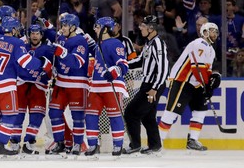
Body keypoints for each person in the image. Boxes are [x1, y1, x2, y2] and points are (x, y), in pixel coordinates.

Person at [0, 16, 52, 157]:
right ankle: (1, 145)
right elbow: (26, 62)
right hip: (6, 87)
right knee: (10, 116)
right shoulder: (16, 43)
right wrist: (43, 64)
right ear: (13, 30)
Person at [158, 22, 221, 151]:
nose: (215, 33)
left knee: (201, 110)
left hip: (197, 83)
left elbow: (206, 71)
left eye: (216, 31)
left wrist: (212, 79)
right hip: (183, 81)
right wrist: (207, 85)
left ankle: (192, 140)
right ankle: (157, 142)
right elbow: (198, 68)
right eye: (212, 31)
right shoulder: (199, 44)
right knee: (171, 112)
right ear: (205, 32)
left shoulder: (211, 50)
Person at [123, 15, 169, 155]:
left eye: (143, 26)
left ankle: (135, 145)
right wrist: (122, 65)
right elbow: (139, 61)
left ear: (151, 28)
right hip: (148, 84)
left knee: (131, 112)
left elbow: (163, 68)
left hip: (152, 86)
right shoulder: (149, 43)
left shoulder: (158, 44)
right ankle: (155, 146)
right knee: (147, 116)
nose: (140, 28)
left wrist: (154, 88)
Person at [85, 17, 128, 157]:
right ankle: (92, 145)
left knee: (114, 116)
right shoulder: (99, 44)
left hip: (111, 86)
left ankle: (117, 145)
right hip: (96, 86)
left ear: (105, 28)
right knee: (90, 116)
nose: (95, 30)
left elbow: (123, 64)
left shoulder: (116, 43)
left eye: (97, 27)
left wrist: (113, 72)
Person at [46, 14, 89, 156]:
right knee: (54, 112)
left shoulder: (80, 41)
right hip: (61, 82)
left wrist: (62, 53)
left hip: (77, 84)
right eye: (62, 25)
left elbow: (77, 62)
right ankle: (60, 142)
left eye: (65, 25)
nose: (62, 28)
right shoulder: (61, 39)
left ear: (73, 27)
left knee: (77, 116)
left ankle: (77, 143)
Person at [10, 24, 54, 154]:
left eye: (37, 33)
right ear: (29, 35)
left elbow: (51, 70)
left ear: (41, 35)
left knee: (37, 116)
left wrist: (49, 72)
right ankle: (14, 142)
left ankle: (29, 142)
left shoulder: (48, 50)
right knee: (18, 115)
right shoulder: (22, 47)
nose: (34, 35)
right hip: (21, 85)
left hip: (39, 86)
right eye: (32, 33)